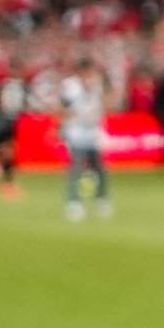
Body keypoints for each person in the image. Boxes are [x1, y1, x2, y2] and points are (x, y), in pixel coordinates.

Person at [58, 70, 111, 220]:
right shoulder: (70, 87)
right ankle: (74, 202)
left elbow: (107, 102)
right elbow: (62, 107)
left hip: (93, 134)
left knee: (99, 168)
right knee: (77, 167)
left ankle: (102, 198)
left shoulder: (97, 86)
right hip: (76, 133)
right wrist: (70, 117)